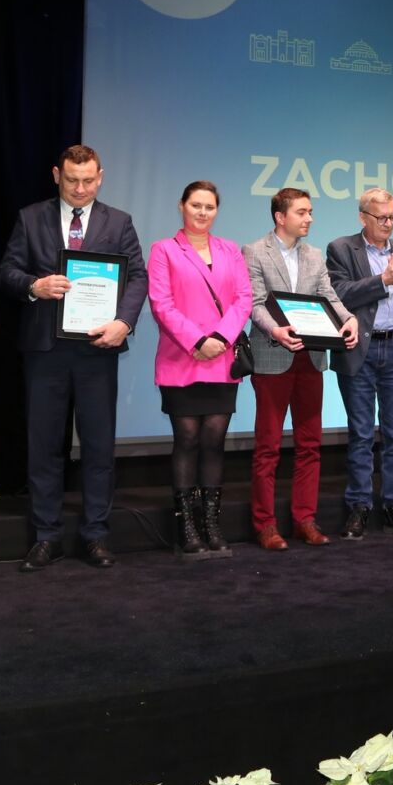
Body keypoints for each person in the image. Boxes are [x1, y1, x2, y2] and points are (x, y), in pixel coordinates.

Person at [0, 145, 149, 572]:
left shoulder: (119, 221)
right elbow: (7, 272)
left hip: (98, 349)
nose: (80, 189)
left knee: (98, 447)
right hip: (45, 350)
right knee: (44, 446)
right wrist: (34, 286)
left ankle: (95, 534)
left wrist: (124, 322)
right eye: (71, 180)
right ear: (56, 175)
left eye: (87, 180)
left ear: (100, 177)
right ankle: (46, 536)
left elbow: (138, 276)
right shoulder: (30, 218)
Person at [242, 187, 358, 551]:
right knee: (268, 447)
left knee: (310, 444)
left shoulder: (314, 255)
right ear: (280, 217)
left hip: (311, 359)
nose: (309, 218)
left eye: (310, 212)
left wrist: (349, 318)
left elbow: (329, 297)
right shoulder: (254, 251)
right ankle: (265, 525)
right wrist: (274, 330)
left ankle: (304, 519)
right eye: (302, 212)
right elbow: (254, 304)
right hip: (272, 357)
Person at [148, 180, 251, 557]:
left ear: (216, 210)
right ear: (182, 206)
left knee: (214, 442)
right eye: (196, 205)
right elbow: (161, 304)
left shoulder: (230, 250)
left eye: (209, 206)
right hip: (182, 358)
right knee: (187, 440)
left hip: (222, 359)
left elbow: (244, 299)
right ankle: (186, 526)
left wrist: (220, 338)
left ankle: (211, 523)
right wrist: (197, 341)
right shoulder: (163, 250)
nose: (202, 212)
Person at [325, 188, 393, 538]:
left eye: (392, 217)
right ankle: (359, 506)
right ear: (362, 217)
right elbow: (339, 293)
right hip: (360, 350)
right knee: (361, 434)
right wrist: (384, 280)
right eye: (381, 217)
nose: (388, 223)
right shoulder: (342, 248)